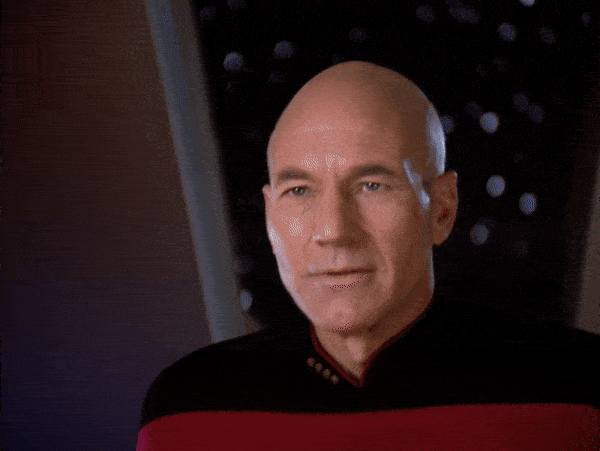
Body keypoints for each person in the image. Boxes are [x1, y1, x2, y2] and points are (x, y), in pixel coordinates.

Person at [136, 61, 600, 450]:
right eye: (299, 191)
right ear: (270, 216)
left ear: (441, 210)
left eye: (371, 186)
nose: (334, 232)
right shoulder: (186, 407)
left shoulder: (577, 390)